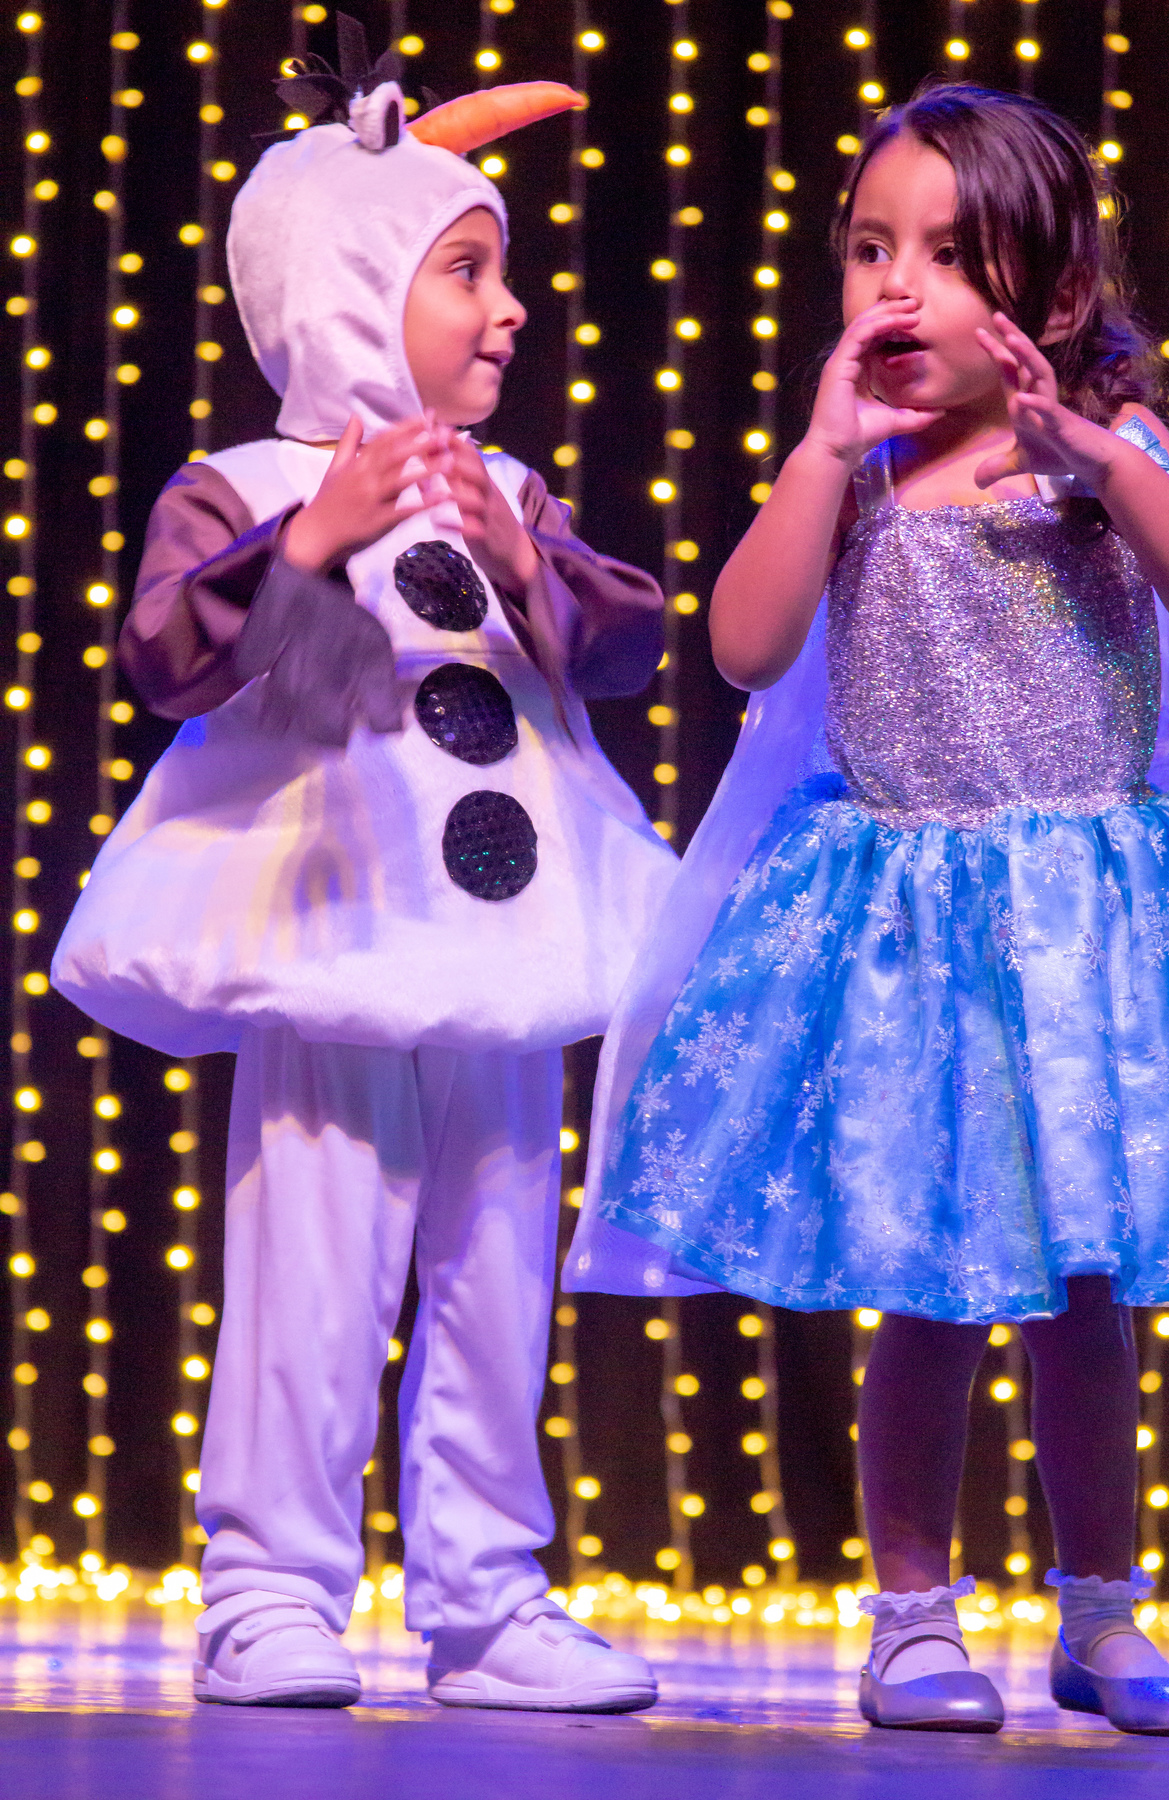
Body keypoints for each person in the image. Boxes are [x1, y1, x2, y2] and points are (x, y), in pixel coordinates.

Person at [565, 81, 1169, 1736]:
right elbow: (744, 645)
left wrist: (1102, 462)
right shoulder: (863, 477)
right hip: (918, 942)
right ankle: (912, 1615)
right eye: (868, 249)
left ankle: (1103, 1613)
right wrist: (820, 455)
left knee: (1084, 1300)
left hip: (1084, 937)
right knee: (926, 1291)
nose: (896, 286)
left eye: (950, 254)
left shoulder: (1115, 455)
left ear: (1057, 296)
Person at [52, 31, 675, 1714]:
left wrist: (521, 559)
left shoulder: (506, 487)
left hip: (507, 941)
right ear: (347, 288)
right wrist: (313, 542)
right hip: (337, 924)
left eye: (503, 273)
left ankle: (487, 1599)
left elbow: (628, 648)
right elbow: (173, 660)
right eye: (465, 272)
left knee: (496, 1274)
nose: (509, 309)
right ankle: (269, 1587)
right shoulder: (248, 488)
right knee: (312, 1272)